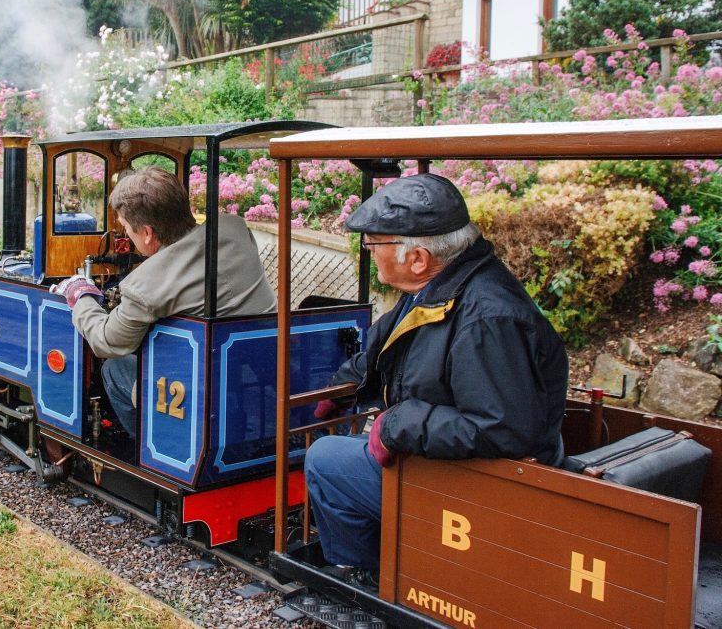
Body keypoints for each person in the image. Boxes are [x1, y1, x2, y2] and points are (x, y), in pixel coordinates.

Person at [304, 173, 568, 578]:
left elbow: (506, 430)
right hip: (453, 459)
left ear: (417, 258)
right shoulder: (440, 288)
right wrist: (340, 386)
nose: (369, 252)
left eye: (374, 244)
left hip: (485, 482)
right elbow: (384, 348)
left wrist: (396, 423)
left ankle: (373, 577)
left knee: (325, 459)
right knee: (346, 448)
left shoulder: (487, 318)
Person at [53, 166, 276, 440]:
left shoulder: (145, 284)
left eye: (126, 229)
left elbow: (106, 342)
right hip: (258, 363)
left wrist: (81, 294)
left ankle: (153, 445)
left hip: (198, 385)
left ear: (147, 233)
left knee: (114, 368)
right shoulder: (234, 228)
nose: (127, 237)